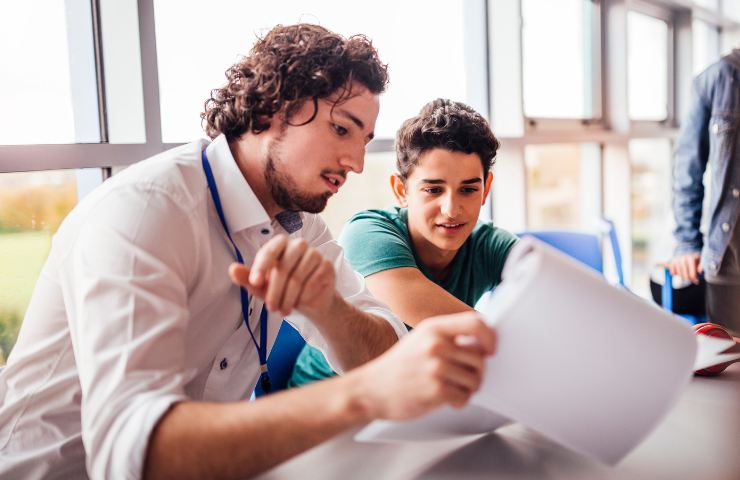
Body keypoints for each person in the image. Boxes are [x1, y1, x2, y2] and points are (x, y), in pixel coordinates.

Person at [0, 25, 497, 479]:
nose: (357, 162)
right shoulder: (147, 211)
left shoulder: (300, 226)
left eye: (365, 140)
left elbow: (385, 350)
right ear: (267, 111)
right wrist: (364, 395)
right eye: (342, 129)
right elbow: (130, 453)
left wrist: (329, 310)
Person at [289, 99, 517, 387]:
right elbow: (480, 336)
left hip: (410, 398)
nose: (451, 209)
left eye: (468, 189)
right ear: (401, 190)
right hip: (325, 402)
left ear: (485, 190)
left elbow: (553, 294)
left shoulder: (489, 243)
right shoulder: (367, 233)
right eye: (433, 189)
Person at [670, 48, 740, 335]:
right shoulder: (717, 79)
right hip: (730, 265)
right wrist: (687, 241)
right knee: (730, 374)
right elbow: (688, 167)